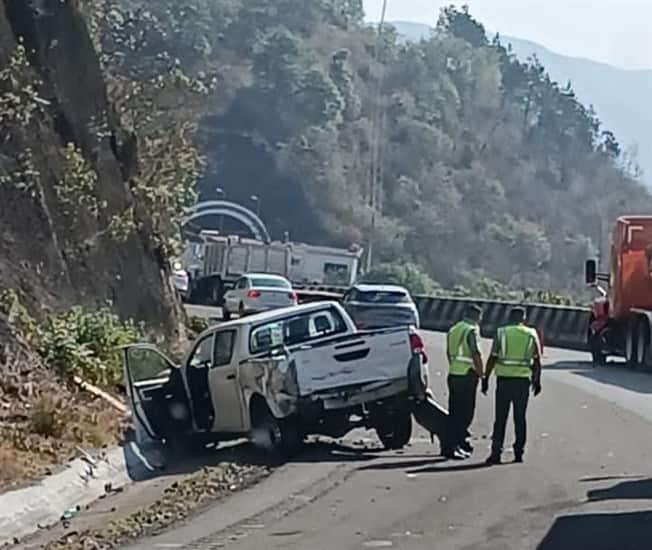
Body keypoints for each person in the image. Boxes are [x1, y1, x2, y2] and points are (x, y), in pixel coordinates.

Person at [482, 307, 542, 465]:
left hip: (504, 380)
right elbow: (537, 360)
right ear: (524, 318)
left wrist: (485, 378)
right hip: (522, 381)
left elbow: (492, 357)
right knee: (520, 418)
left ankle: (496, 453)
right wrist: (537, 381)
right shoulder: (531, 333)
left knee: (500, 418)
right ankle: (518, 453)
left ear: (510, 317)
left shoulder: (501, 332)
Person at [445, 304, 484, 460]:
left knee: (454, 412)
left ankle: (457, 444)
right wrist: (482, 375)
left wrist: (455, 367)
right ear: (477, 317)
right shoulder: (471, 330)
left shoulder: (454, 329)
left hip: (454, 373)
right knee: (465, 414)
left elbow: (449, 352)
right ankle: (453, 446)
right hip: (467, 375)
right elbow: (476, 354)